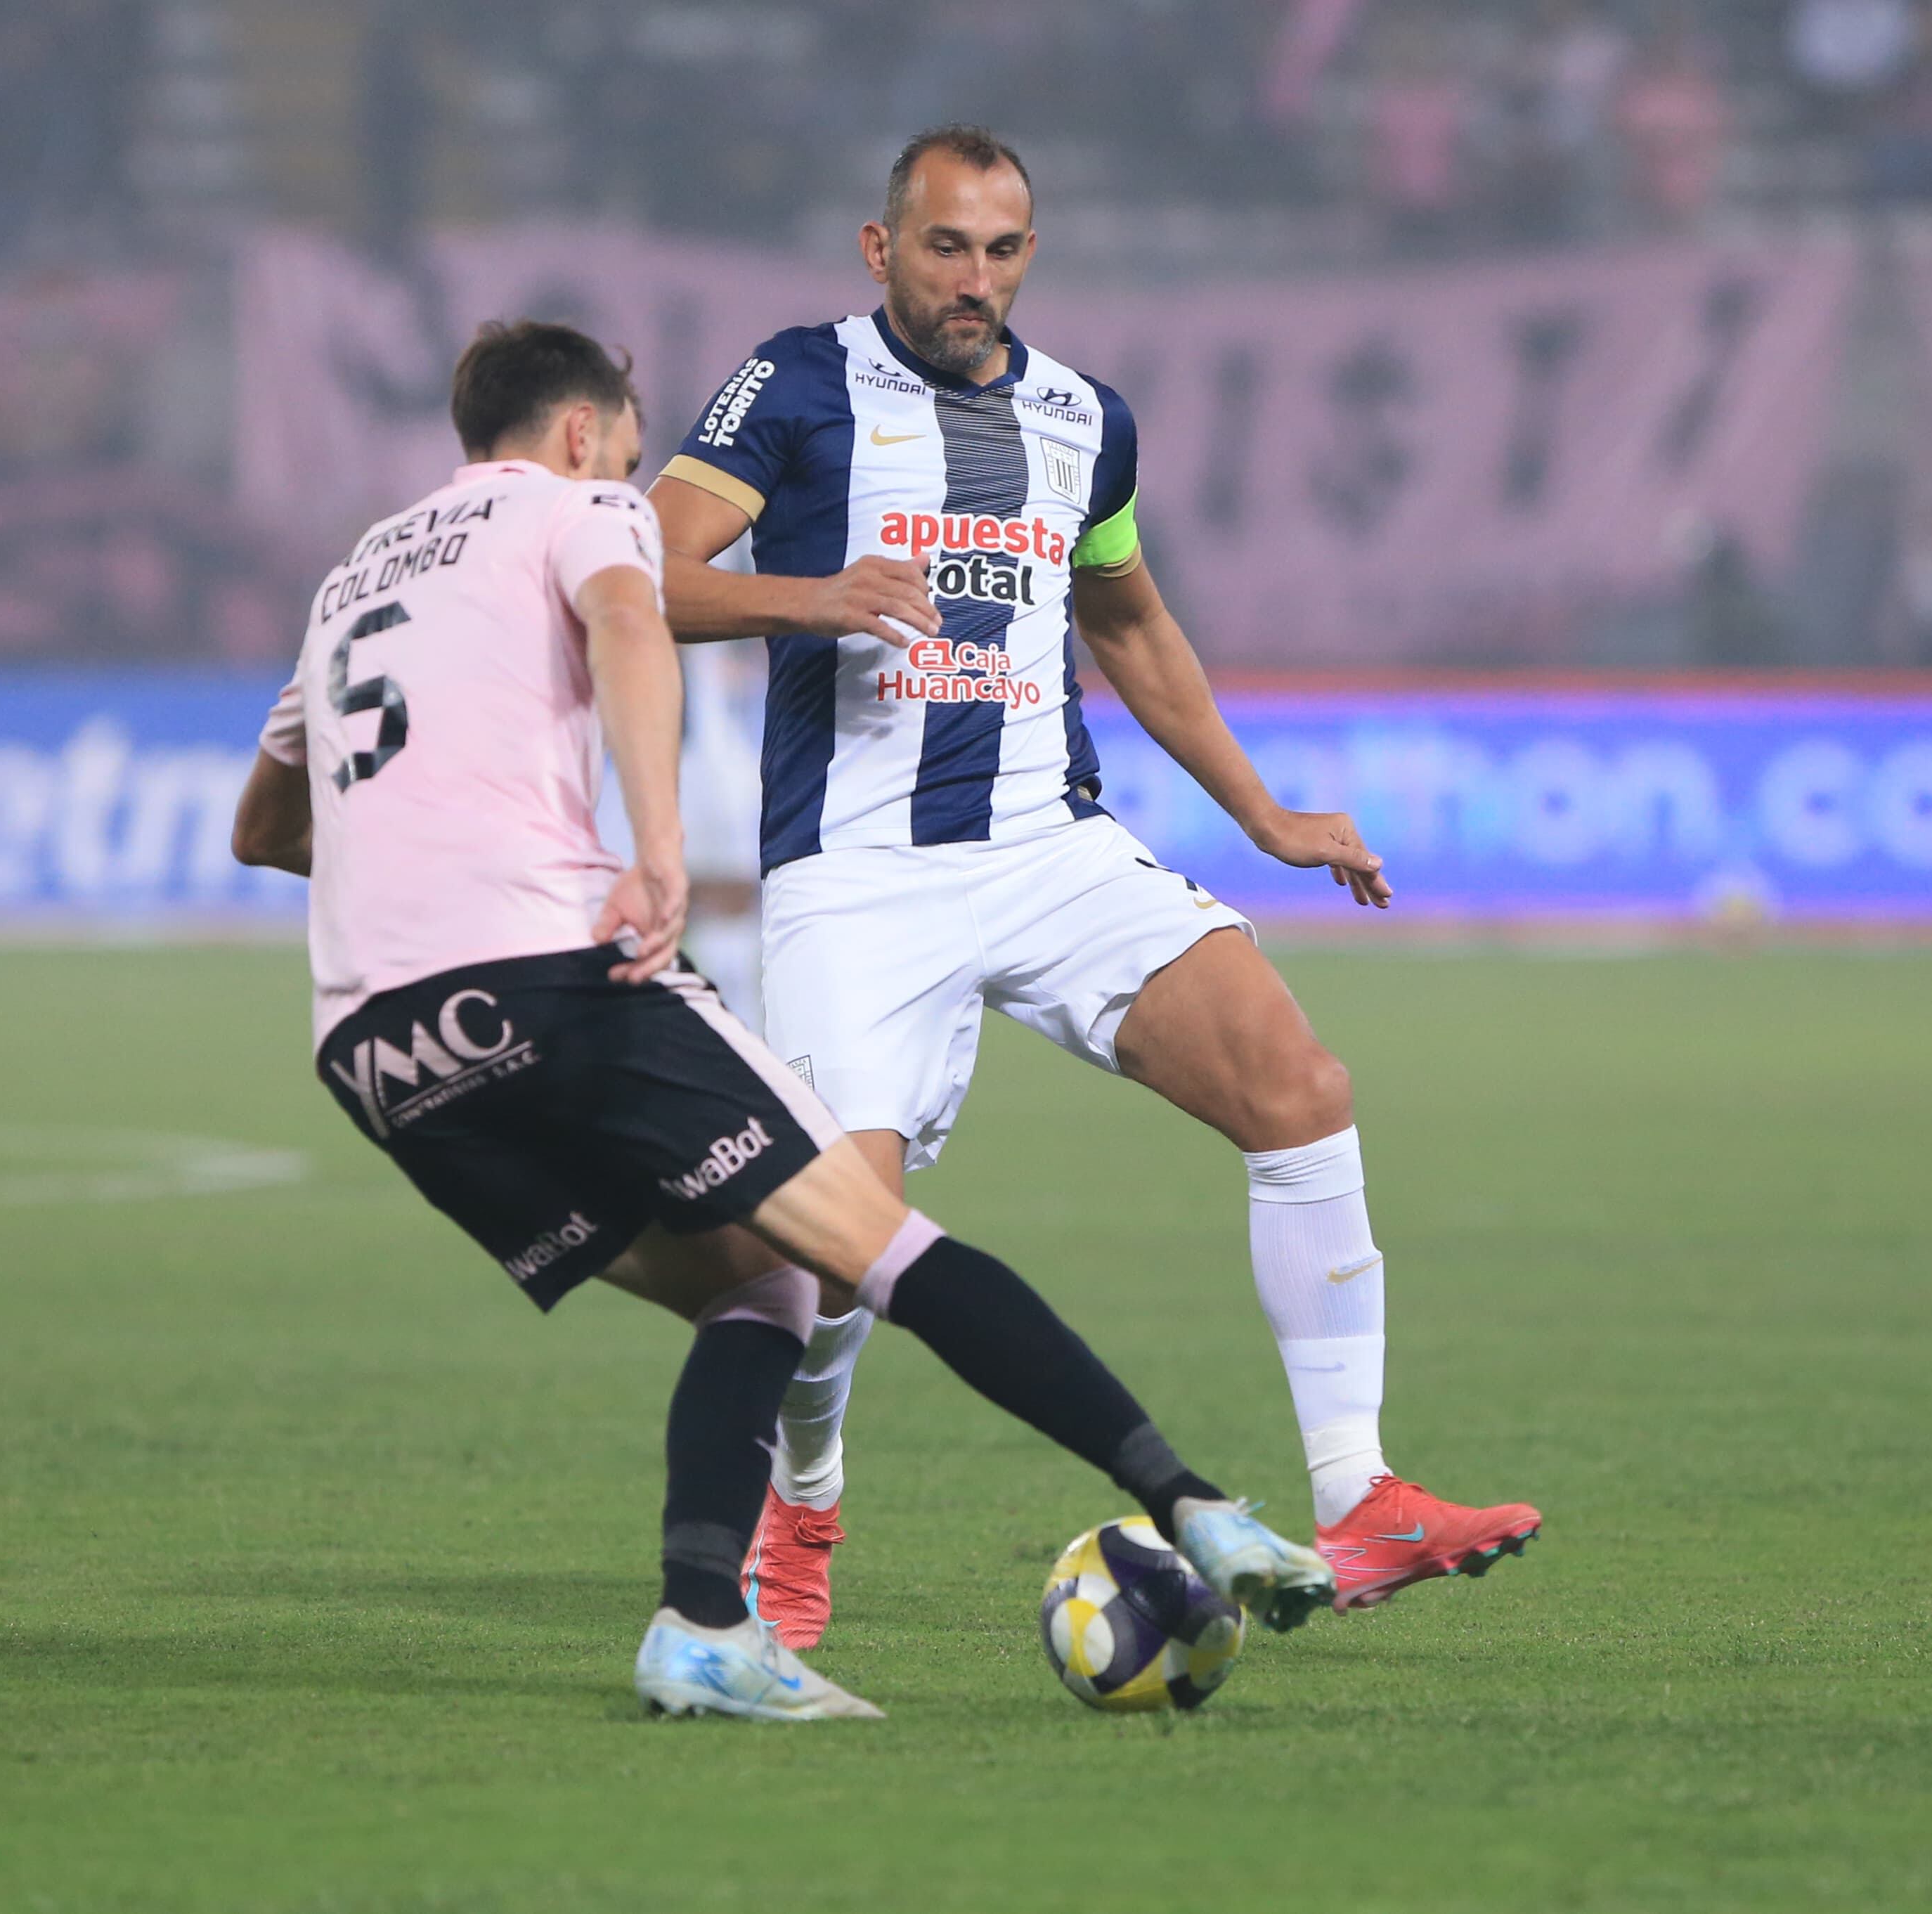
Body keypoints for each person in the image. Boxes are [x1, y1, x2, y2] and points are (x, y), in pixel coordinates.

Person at [228, 318, 1333, 1721]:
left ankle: (704, 1628)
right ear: (584, 435)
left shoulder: (354, 581)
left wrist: (428, 878)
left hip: (382, 1049)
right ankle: (1192, 1502)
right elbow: (636, 619)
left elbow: (264, 827)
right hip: (558, 980)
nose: (631, 476)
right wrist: (659, 848)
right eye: (628, 447)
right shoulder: (586, 511)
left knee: (759, 1284)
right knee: (878, 1250)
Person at [645, 127, 1541, 1653]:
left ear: (1030, 258)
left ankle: (1360, 1495)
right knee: (839, 1248)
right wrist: (813, 594)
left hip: (1049, 847)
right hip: (859, 876)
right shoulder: (795, 385)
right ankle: (803, 1515)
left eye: (1001, 249)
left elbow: (1126, 620)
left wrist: (1263, 812)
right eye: (943, 246)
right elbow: (645, 569)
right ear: (882, 252)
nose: (972, 278)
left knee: (1299, 1086)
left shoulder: (1084, 422)